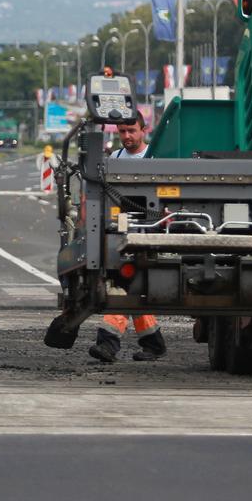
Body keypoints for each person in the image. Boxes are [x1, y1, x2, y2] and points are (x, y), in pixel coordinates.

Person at [88, 112, 168, 363]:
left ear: (144, 130)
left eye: (131, 131)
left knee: (124, 286)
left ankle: (108, 343)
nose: (127, 136)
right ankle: (153, 342)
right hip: (123, 230)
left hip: (151, 229)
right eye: (122, 132)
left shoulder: (154, 157)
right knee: (132, 286)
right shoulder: (115, 158)